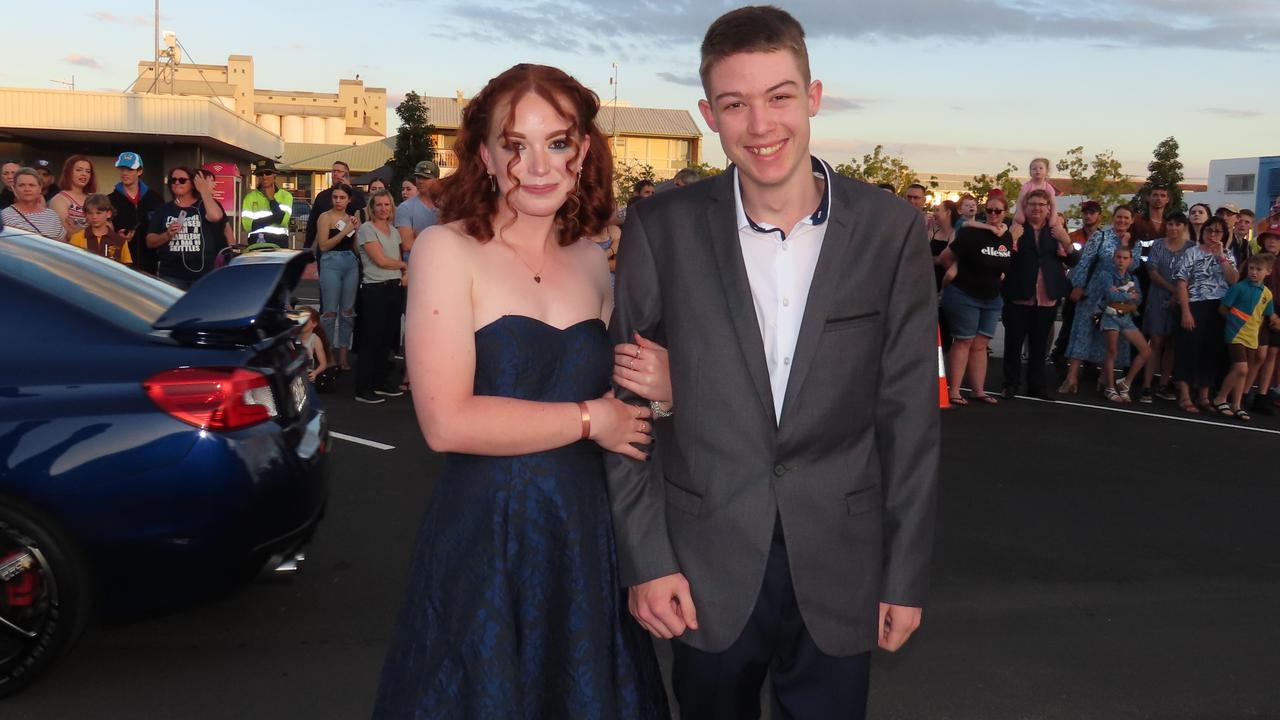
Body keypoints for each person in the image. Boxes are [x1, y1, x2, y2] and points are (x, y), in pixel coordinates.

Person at [607, 8, 938, 718]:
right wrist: (647, 559)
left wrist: (904, 572)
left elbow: (908, 415)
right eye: (735, 104)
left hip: (841, 562)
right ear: (709, 114)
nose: (761, 126)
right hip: (702, 565)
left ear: (813, 97)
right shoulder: (661, 229)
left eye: (779, 97)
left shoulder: (891, 231)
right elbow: (626, 409)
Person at [374, 63, 669, 719]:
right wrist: (593, 419)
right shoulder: (446, 250)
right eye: (515, 144)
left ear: (583, 151)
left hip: (586, 539)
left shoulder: (595, 259)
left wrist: (665, 390)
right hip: (488, 537)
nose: (537, 165)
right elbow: (446, 422)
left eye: (557, 142)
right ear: (484, 153)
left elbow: (636, 402)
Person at [1000, 189, 1079, 400]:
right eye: (1032, 204)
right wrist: (1010, 240)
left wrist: (1066, 241)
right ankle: (1011, 383)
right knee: (1013, 342)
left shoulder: (1056, 230)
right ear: (1024, 207)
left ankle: (1037, 385)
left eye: (1041, 205)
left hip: (1046, 296)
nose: (1036, 208)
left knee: (1040, 344)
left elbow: (1073, 261)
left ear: (1048, 208)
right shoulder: (1015, 229)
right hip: (1018, 294)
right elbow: (1002, 258)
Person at [940, 192, 1012, 405]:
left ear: (1004, 213)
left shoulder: (1006, 236)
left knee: (981, 344)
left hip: (991, 297)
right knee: (964, 341)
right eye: (989, 210)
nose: (993, 214)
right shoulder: (971, 233)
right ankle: (954, 391)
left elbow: (1006, 262)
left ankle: (978, 390)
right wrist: (954, 269)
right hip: (964, 294)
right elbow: (945, 257)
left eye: (997, 211)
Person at [1059, 206, 1141, 394]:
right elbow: (1085, 260)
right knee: (1083, 330)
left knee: (1112, 336)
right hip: (1094, 290)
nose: (1122, 221)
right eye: (1119, 217)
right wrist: (1079, 284)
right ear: (1113, 218)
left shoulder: (1135, 242)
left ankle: (1105, 378)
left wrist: (1127, 244)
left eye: (1126, 218)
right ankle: (1071, 378)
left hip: (1117, 292)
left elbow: (1134, 267)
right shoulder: (1100, 236)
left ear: (1132, 220)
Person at [1172, 216, 1239, 413]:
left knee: (1211, 352)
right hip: (1194, 304)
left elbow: (1233, 280)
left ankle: (1203, 395)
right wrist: (1185, 311)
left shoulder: (1227, 253)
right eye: (1209, 230)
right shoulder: (1192, 252)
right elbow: (1182, 282)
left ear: (1224, 235)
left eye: (1218, 231)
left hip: (1218, 307)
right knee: (1188, 349)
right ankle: (1184, 395)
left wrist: (1222, 257)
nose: (1212, 235)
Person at [354, 189, 408, 404]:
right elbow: (381, 260)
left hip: (394, 288)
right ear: (372, 208)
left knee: (387, 339)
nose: (383, 209)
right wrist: (404, 266)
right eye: (379, 205)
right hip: (375, 289)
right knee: (372, 340)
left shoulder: (394, 231)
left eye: (387, 205)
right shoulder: (367, 230)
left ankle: (380, 382)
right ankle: (363, 388)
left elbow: (395, 256)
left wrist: (402, 271)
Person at [1210, 253, 1276, 420]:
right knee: (1242, 368)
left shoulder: (1267, 294)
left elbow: (1266, 315)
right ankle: (1220, 398)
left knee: (1242, 372)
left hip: (1252, 336)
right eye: (1251, 268)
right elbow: (1223, 308)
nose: (1253, 272)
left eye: (1258, 269)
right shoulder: (1239, 287)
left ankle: (1237, 404)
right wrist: (1234, 321)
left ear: (1268, 272)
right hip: (1235, 333)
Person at [145, 167, 228, 290]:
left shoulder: (202, 206)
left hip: (202, 272)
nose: (177, 183)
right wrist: (167, 235)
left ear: (192, 184)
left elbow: (216, 216)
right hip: (172, 273)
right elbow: (150, 241)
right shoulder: (164, 209)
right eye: (173, 180)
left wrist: (204, 190)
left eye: (182, 180)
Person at [1138, 211, 1191, 403]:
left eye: (1178, 224)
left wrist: (1179, 295)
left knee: (1172, 344)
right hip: (1159, 297)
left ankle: (1163, 384)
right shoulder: (1158, 244)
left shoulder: (1191, 248)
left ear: (1184, 227)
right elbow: (1152, 272)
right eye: (1170, 224)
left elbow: (1192, 274)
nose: (1174, 228)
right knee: (1156, 341)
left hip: (1181, 301)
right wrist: (1174, 290)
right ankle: (1146, 385)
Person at [313, 184, 361, 372]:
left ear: (349, 199)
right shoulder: (325, 217)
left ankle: (343, 357)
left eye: (342, 197)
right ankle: (328, 356)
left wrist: (356, 231)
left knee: (348, 312)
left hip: (350, 262)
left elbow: (356, 247)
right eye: (335, 197)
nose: (338, 201)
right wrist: (344, 230)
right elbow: (323, 246)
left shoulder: (352, 218)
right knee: (330, 312)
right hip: (330, 262)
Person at [1051, 200, 1105, 366]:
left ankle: (1090, 364)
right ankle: (1060, 357)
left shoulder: (1105, 238)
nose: (1088, 216)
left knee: (1093, 328)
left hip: (1095, 291)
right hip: (1074, 288)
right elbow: (1063, 261)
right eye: (1085, 213)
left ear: (1099, 216)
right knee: (1069, 325)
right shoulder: (1072, 237)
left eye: (1092, 212)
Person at [1096, 247, 1151, 402]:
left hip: (1126, 318)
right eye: (1118, 257)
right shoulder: (1106, 275)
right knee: (1112, 350)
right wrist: (1129, 294)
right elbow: (1110, 294)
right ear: (1114, 258)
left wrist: (1121, 293)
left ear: (1130, 261)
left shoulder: (1133, 278)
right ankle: (1110, 387)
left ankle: (1125, 383)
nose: (1121, 260)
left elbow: (1139, 298)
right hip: (1110, 316)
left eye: (1125, 258)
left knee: (1146, 351)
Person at [108, 151, 165, 275]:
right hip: (120, 265)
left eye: (129, 169)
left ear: (139, 171)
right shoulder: (110, 200)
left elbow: (162, 229)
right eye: (122, 169)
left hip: (150, 266)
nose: (124, 173)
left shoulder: (156, 199)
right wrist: (117, 237)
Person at [304, 161, 366, 249]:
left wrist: (348, 189)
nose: (335, 174)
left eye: (339, 171)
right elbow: (312, 223)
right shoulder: (322, 195)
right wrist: (307, 245)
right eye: (333, 171)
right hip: (326, 244)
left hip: (348, 244)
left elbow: (361, 211)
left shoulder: (356, 194)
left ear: (346, 174)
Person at [1252, 232, 1280, 414]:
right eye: (1269, 238)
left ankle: (1262, 396)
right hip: (1259, 315)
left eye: (1277, 239)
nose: (1272, 241)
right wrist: (1271, 315)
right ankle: (1244, 392)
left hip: (1278, 316)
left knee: (1272, 354)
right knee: (1256, 355)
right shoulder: (1255, 261)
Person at [0, 167, 67, 241]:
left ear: (40, 188)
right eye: (21, 185)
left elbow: (62, 244)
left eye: (32, 185)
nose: (27, 189)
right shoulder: (4, 216)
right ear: (14, 188)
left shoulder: (52, 215)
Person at [241, 159, 293, 247]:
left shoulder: (286, 196)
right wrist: (276, 217)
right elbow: (247, 226)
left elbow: (283, 221)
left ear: (274, 175)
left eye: (268, 173)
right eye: (260, 174)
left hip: (279, 244)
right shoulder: (250, 197)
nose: (264, 177)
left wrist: (272, 199)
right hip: (256, 244)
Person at [68, 193, 132, 265]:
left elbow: (127, 268)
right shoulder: (77, 238)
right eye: (90, 213)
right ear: (85, 214)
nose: (94, 217)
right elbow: (72, 265)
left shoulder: (120, 241)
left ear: (109, 214)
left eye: (98, 213)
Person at [394, 160, 440, 255]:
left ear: (436, 180)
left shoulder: (447, 205)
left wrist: (420, 236)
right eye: (418, 177)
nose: (420, 181)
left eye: (425, 178)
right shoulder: (405, 208)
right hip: (417, 266)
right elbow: (407, 245)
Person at [49, 154, 97, 237]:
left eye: (88, 171)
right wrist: (95, 226)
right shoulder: (59, 200)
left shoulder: (94, 198)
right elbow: (68, 233)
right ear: (68, 172)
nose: (84, 174)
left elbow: (107, 226)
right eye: (79, 170)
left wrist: (78, 227)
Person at [1013, 157, 1057, 223]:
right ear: (1030, 172)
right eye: (1034, 169)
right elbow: (1019, 201)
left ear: (1046, 171)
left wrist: (1053, 216)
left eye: (1041, 168)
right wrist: (1020, 213)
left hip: (1042, 213)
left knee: (1057, 221)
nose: (1037, 170)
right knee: (1018, 220)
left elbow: (1053, 204)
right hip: (1026, 212)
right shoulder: (1026, 186)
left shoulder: (1048, 187)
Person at [297, 306, 330, 382]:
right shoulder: (292, 336)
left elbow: (323, 364)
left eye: (305, 320)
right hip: (294, 376)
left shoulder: (315, 339)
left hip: (307, 377)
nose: (301, 323)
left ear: (314, 323)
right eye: (299, 319)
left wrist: (315, 372)